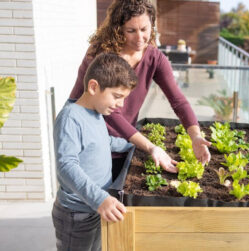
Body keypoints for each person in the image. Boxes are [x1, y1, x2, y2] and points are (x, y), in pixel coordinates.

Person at [69, 0, 211, 181]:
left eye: (144, 29)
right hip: (88, 138)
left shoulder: (154, 58)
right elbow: (111, 113)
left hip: (121, 141)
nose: (140, 38)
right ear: (118, 29)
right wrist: (150, 146)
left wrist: (196, 136)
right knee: (93, 201)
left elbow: (178, 101)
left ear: (152, 24)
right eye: (131, 31)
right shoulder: (102, 56)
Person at [52, 53, 138, 251]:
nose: (121, 104)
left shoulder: (96, 113)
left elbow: (103, 142)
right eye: (117, 96)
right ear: (93, 87)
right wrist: (100, 199)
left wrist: (131, 146)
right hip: (76, 215)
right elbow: (66, 166)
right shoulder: (70, 118)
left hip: (95, 207)